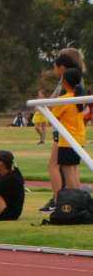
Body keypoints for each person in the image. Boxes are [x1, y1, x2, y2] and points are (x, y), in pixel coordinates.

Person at [45, 59, 87, 210]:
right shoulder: (80, 99)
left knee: (69, 174)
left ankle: (75, 206)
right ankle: (81, 203)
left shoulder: (64, 100)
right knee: (74, 172)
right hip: (79, 138)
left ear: (65, 82)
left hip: (67, 141)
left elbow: (52, 119)